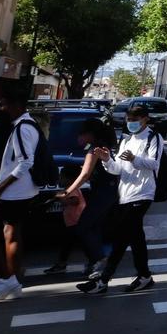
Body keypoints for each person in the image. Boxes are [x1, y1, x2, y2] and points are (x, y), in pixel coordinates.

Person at [77, 109, 162, 296]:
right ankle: (144, 275)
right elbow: (117, 170)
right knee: (133, 237)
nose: (131, 123)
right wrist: (106, 160)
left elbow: (154, 164)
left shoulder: (153, 137)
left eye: (135, 119)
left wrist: (135, 159)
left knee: (123, 235)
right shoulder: (126, 139)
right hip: (125, 194)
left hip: (142, 193)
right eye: (128, 119)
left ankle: (104, 280)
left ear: (145, 119)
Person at [0, 102, 46, 302]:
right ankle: (12, 280)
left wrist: (1, 186)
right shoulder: (28, 125)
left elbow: (25, 162)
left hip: (15, 191)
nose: (1, 109)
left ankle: (7, 278)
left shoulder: (21, 128)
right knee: (11, 232)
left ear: (14, 106)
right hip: (20, 190)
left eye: (4, 104)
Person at [49, 117, 116, 277]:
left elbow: (84, 174)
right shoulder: (102, 146)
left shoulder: (94, 150)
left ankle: (99, 260)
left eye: (80, 134)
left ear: (89, 134)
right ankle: (97, 263)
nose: (78, 138)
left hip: (103, 193)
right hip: (106, 192)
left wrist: (67, 192)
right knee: (94, 227)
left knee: (83, 227)